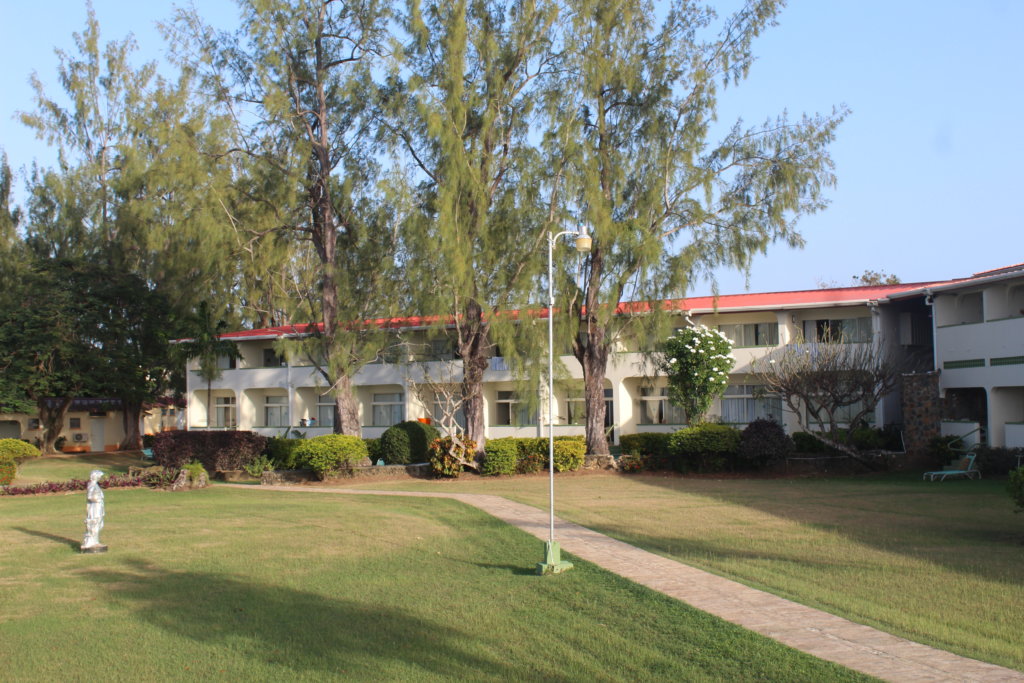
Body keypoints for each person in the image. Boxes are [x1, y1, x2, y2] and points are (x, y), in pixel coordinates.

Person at [82, 470, 105, 550]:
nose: (100, 478)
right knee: (94, 522)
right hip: (94, 507)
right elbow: (90, 497)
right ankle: (90, 541)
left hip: (98, 506)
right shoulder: (92, 485)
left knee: (98, 522)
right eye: (99, 476)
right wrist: (97, 499)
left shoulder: (95, 485)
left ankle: (95, 541)